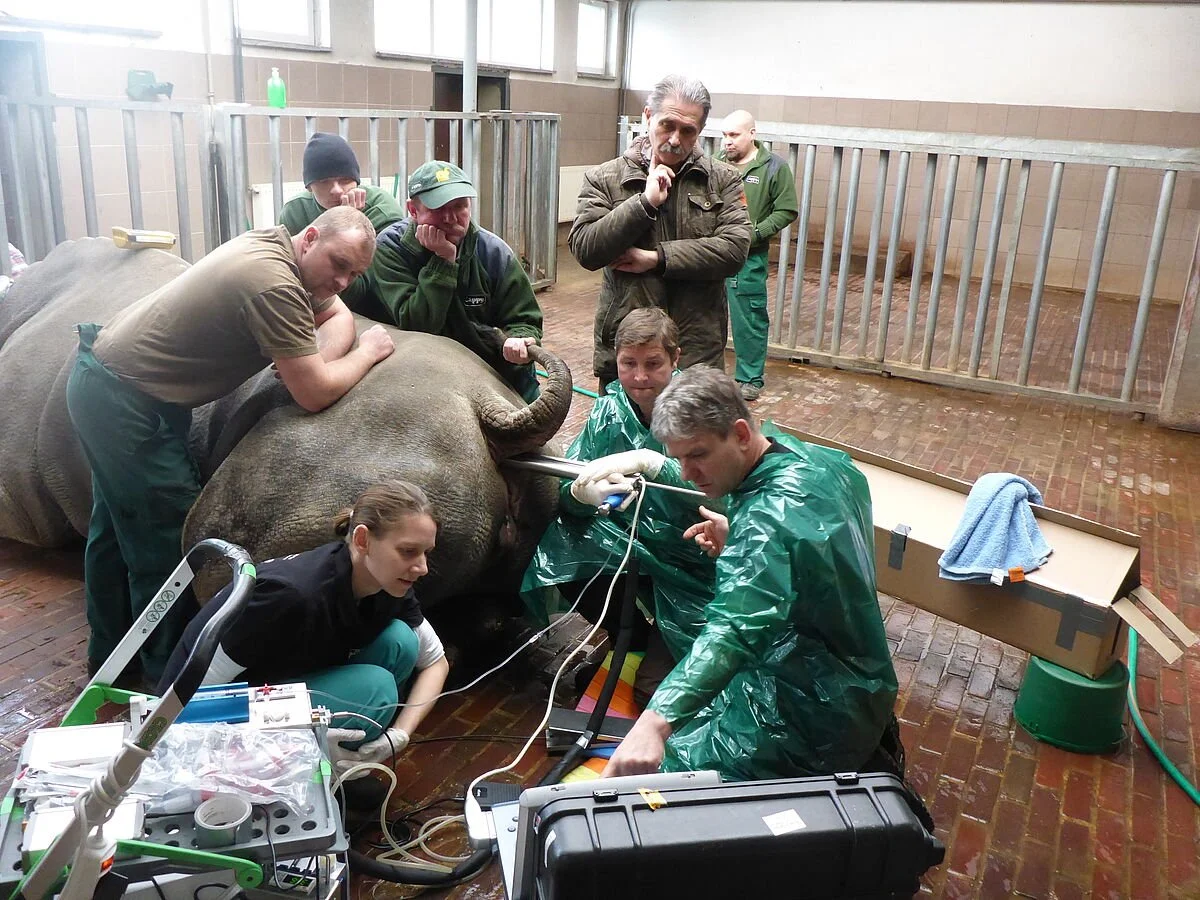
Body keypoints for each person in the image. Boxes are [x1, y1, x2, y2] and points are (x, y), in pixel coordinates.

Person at [67, 207, 396, 686]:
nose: (344, 281)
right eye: (339, 264)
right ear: (309, 239)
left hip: (117, 385)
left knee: (116, 531)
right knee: (170, 545)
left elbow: (336, 314)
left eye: (355, 273)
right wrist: (364, 353)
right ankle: (169, 681)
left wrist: (313, 359)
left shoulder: (281, 254)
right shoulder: (273, 283)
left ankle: (111, 660)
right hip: (125, 403)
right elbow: (314, 393)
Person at [590, 366, 898, 782]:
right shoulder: (821, 462)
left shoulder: (766, 524)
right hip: (862, 680)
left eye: (697, 454)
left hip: (811, 711)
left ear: (739, 433)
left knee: (668, 775)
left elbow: (734, 629)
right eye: (677, 458)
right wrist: (737, 533)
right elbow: (808, 535)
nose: (686, 474)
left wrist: (654, 722)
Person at [158, 481, 449, 785]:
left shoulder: (388, 584)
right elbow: (188, 699)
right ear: (363, 539)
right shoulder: (291, 596)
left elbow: (435, 662)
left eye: (426, 552)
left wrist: (398, 736)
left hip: (281, 680)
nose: (422, 567)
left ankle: (350, 758)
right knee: (376, 689)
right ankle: (309, 772)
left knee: (400, 640)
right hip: (214, 708)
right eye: (408, 551)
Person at [521, 309, 714, 707]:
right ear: (616, 360)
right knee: (563, 547)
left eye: (653, 364)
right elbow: (567, 493)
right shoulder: (609, 413)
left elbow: (722, 494)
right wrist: (580, 495)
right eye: (629, 364)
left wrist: (655, 463)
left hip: (694, 560)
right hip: (634, 544)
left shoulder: (701, 409)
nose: (640, 378)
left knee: (653, 691)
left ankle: (665, 635)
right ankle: (631, 638)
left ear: (676, 358)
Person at [568, 74, 751, 391]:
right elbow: (586, 248)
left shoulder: (723, 180)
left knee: (695, 440)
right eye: (668, 125)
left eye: (687, 130)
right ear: (648, 117)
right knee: (624, 440)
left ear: (700, 131)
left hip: (696, 354)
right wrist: (645, 203)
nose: (676, 139)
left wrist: (657, 259)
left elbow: (735, 250)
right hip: (630, 356)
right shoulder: (605, 178)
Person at [372, 160, 544, 401]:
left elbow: (525, 319)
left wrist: (520, 339)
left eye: (460, 205)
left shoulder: (494, 253)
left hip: (497, 371)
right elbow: (418, 325)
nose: (451, 217)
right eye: (438, 208)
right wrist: (443, 262)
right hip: (421, 377)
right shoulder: (391, 249)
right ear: (413, 210)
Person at [715, 111, 798, 401]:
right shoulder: (715, 164)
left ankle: (750, 378)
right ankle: (706, 375)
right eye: (724, 135)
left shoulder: (774, 168)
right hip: (712, 253)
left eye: (734, 135)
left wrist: (757, 233)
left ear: (752, 134)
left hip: (747, 258)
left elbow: (787, 209)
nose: (727, 142)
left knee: (748, 317)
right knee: (704, 314)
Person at [279, 132, 405, 316]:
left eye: (345, 180)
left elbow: (362, 293)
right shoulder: (294, 211)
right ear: (309, 187)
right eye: (323, 181)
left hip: (374, 310)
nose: (336, 190)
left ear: (357, 181)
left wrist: (350, 222)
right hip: (310, 306)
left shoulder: (382, 210)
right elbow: (288, 277)